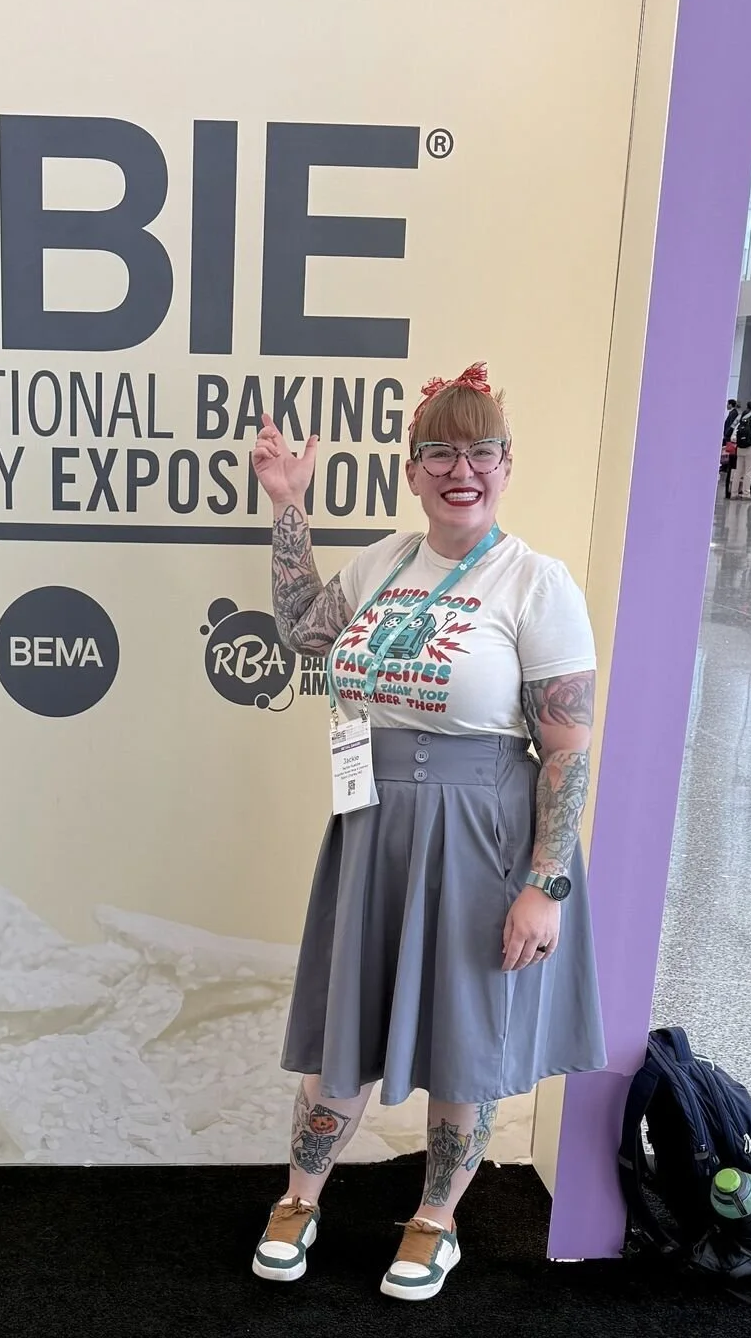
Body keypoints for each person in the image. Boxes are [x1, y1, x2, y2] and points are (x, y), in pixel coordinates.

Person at [248, 363, 604, 1300]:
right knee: (344, 1027)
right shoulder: (382, 563)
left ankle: (434, 1221)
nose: (462, 469)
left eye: (481, 451)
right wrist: (289, 508)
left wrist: (546, 882)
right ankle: (299, 1201)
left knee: (464, 1036)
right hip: (374, 829)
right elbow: (302, 634)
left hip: (482, 836)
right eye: (440, 452)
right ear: (412, 471)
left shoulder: (536, 583)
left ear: (507, 463)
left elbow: (566, 749)